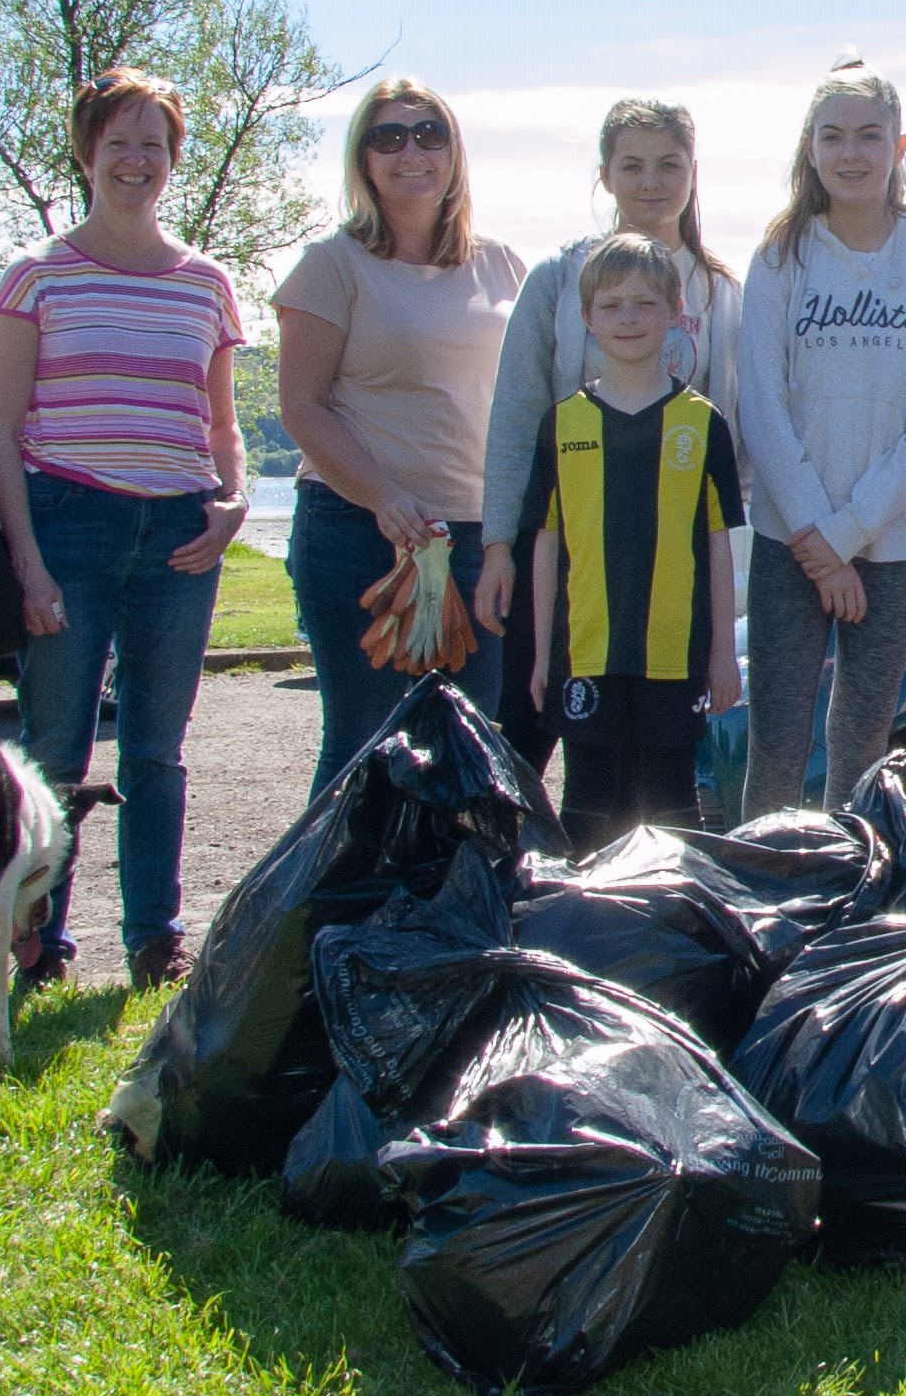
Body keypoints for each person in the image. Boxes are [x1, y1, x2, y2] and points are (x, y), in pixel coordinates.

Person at [0, 69, 249, 989]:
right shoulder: (37, 277)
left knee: (155, 750)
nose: (137, 161)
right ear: (88, 153)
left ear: (174, 161)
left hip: (180, 533)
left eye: (156, 145)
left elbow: (220, 425)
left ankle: (154, 938)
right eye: (120, 142)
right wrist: (27, 562)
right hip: (69, 523)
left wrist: (234, 499)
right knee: (54, 747)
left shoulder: (206, 283)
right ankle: (37, 939)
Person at [730, 58, 906, 817]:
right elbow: (762, 412)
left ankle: (845, 890)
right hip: (789, 538)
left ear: (900, 147)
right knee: (775, 739)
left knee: (863, 740)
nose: (851, 153)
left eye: (870, 136)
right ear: (810, 149)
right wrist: (817, 539)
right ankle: (761, 886)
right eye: (833, 137)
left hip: (896, 543)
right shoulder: (780, 260)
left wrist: (848, 533)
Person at [272, 78, 529, 801]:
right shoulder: (333, 264)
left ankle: (449, 910)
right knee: (364, 747)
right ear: (363, 160)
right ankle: (332, 911)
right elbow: (302, 406)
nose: (411, 150)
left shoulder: (504, 266)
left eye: (429, 133)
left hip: (478, 543)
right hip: (360, 534)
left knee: (471, 748)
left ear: (454, 153)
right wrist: (382, 496)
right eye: (389, 137)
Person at [474, 97, 742, 770]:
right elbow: (515, 416)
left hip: (664, 565)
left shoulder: (719, 292)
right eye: (633, 165)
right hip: (566, 549)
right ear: (606, 176)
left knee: (656, 765)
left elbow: (729, 437)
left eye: (668, 164)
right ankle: (515, 871)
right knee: (527, 735)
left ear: (693, 171)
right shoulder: (561, 281)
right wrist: (501, 543)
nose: (651, 182)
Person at [520, 235, 745, 850]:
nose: (627, 318)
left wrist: (723, 653)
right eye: (611, 305)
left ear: (674, 312)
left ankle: (675, 932)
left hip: (675, 653)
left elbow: (720, 545)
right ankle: (587, 933)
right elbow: (545, 544)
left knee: (671, 809)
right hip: (586, 649)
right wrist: (542, 656)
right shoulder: (562, 422)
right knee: (589, 809)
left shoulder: (701, 423)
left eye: (644, 304)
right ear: (587, 318)